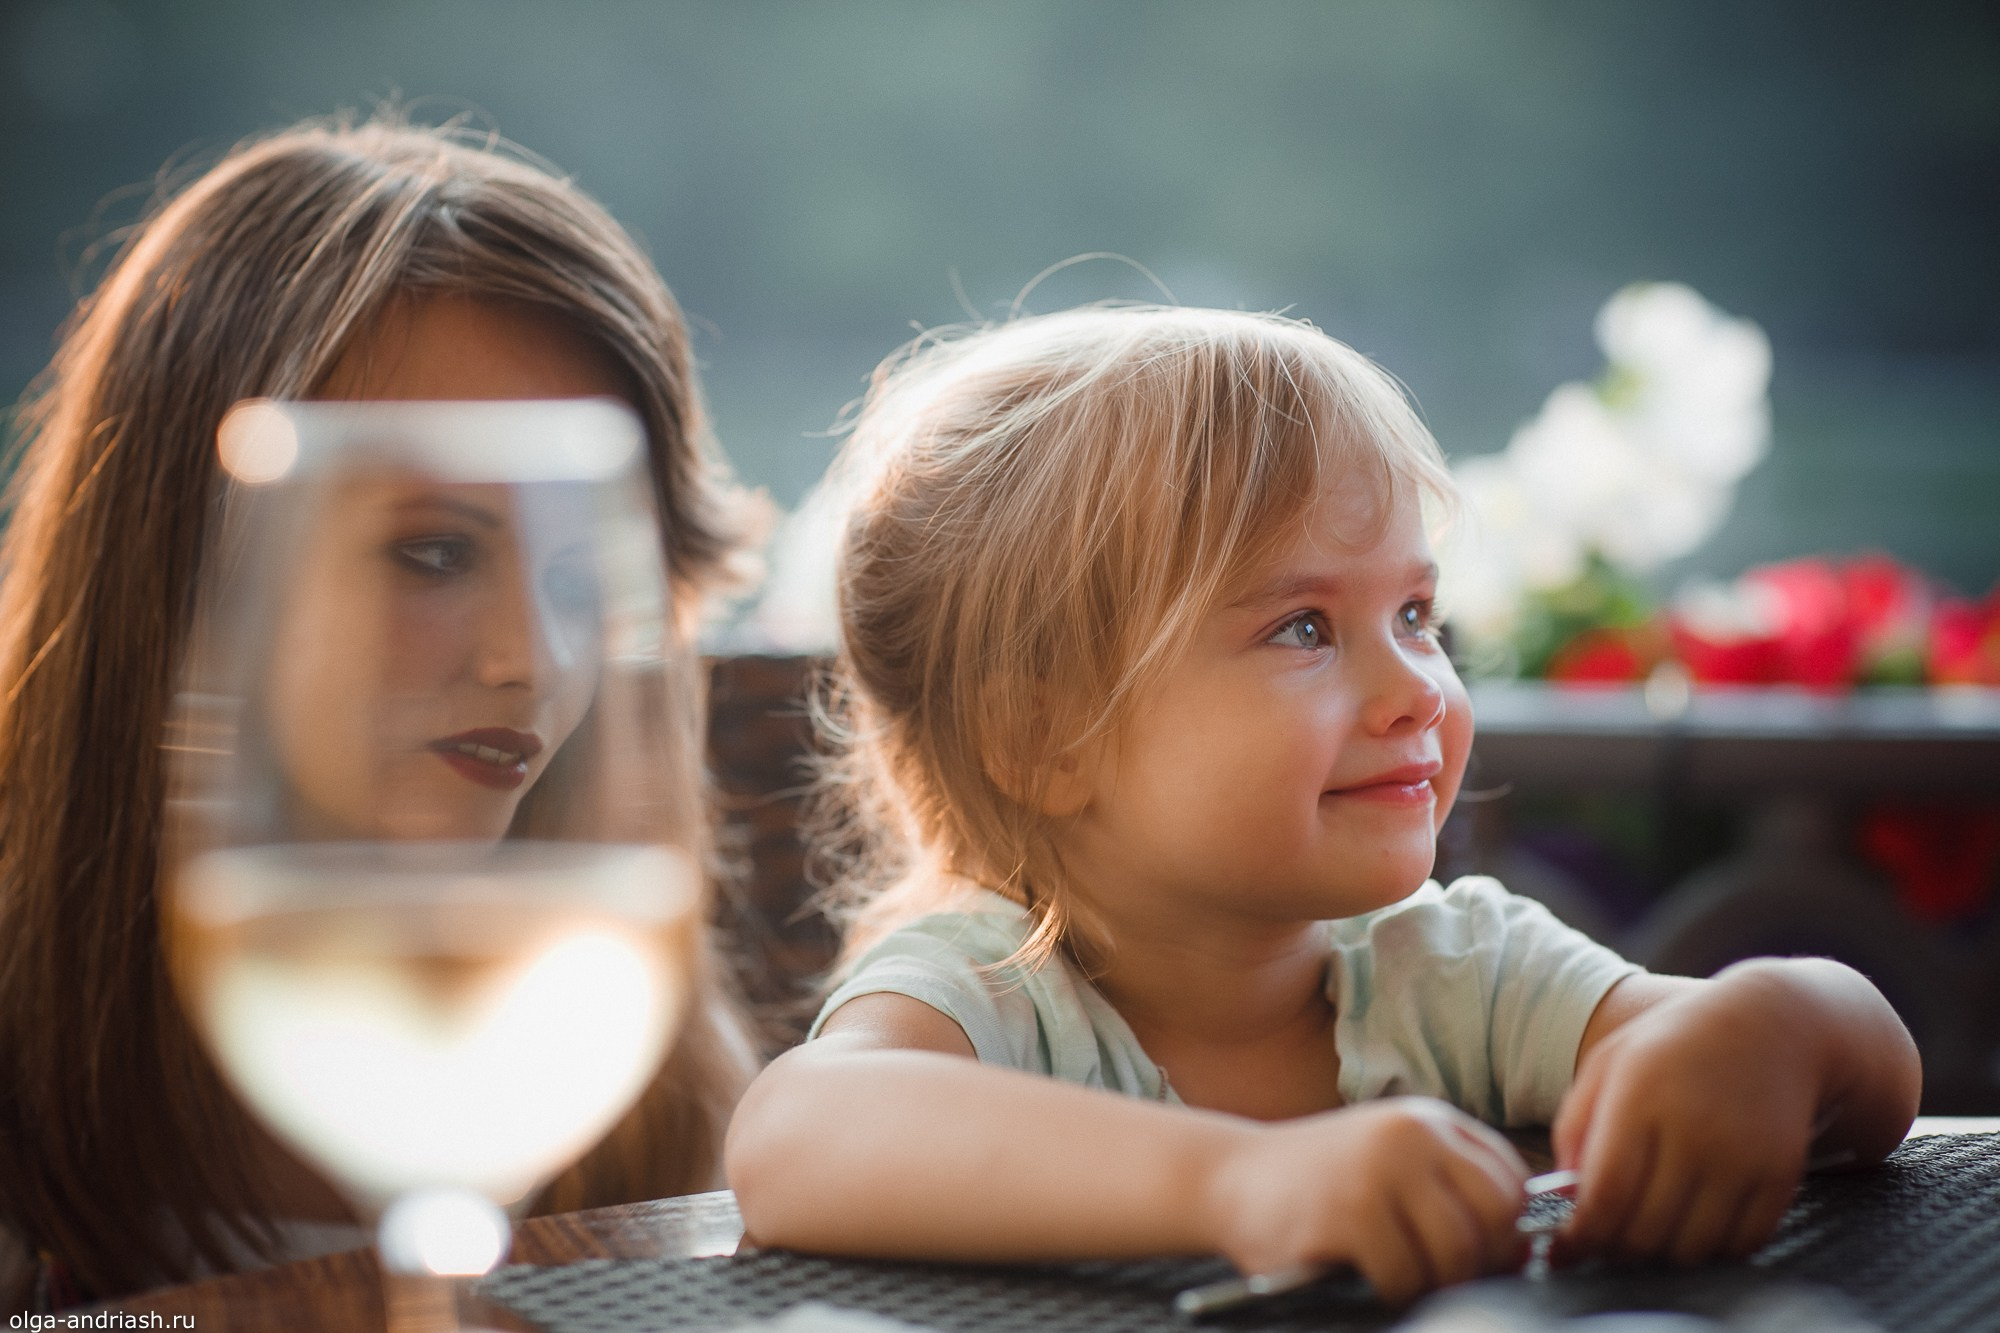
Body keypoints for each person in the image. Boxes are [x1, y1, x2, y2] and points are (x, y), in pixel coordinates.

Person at [724, 305, 1921, 1306]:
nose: (1418, 688)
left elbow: (1871, 1080)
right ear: (1041, 740)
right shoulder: (993, 994)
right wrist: (1243, 1184)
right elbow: (794, 1137)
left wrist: (1770, 1026)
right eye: (1302, 627)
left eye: (1414, 615)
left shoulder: (1451, 972)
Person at [0, 114, 761, 1307]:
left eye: (584, 579)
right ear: (179, 561)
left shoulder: (653, 1073)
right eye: (435, 551)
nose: (533, 659)